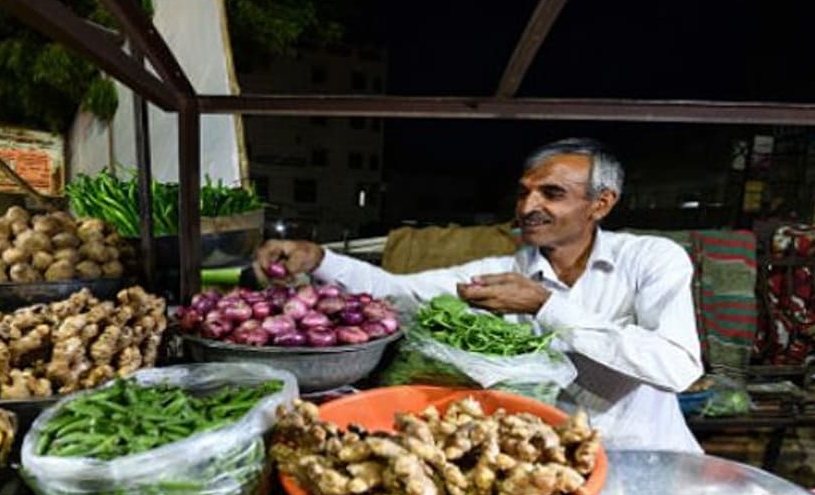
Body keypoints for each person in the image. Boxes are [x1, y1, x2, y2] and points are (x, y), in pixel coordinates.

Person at [254, 138, 704, 452]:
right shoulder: (501, 275)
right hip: (547, 460)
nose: (528, 208)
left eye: (552, 194)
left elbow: (677, 366)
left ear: (600, 204)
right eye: (524, 193)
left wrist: (547, 307)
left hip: (645, 458)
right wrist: (319, 260)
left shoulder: (651, 259)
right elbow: (398, 292)